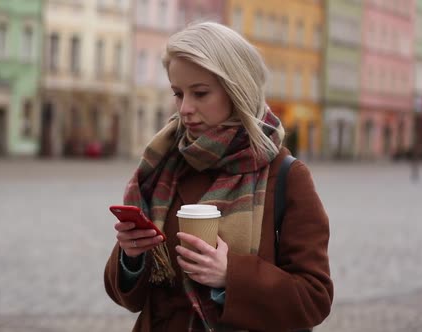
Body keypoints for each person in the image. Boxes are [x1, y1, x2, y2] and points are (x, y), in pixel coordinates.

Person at [104, 22, 333, 332]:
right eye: (178, 93)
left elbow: (314, 297)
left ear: (237, 90)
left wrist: (230, 276)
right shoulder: (162, 166)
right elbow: (131, 298)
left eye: (200, 93)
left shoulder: (285, 175)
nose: (185, 109)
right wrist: (132, 258)